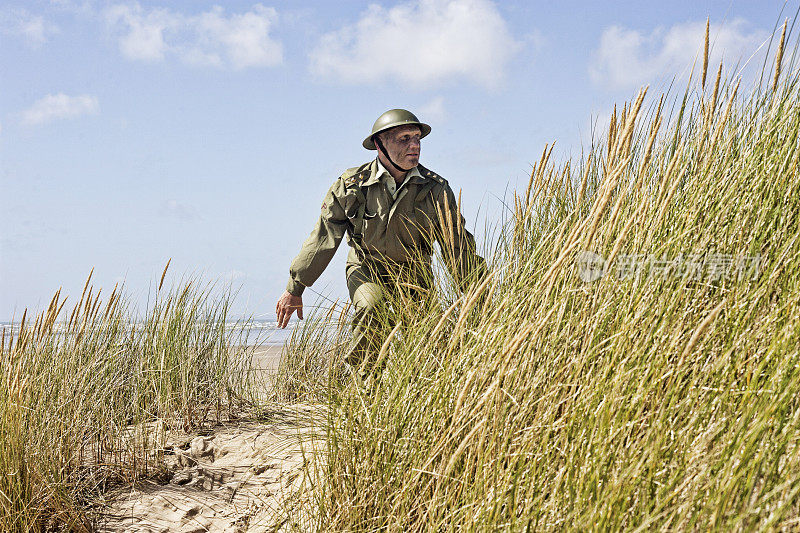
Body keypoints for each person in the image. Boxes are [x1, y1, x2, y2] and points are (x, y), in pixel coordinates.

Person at [275, 109, 485, 375]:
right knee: (371, 307)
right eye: (404, 139)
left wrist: (480, 294)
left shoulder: (435, 189)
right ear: (379, 144)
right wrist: (295, 288)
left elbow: (457, 246)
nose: (414, 146)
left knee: (424, 342)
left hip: (415, 273)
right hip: (367, 269)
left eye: (418, 138)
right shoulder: (350, 186)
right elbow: (324, 238)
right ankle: (362, 389)